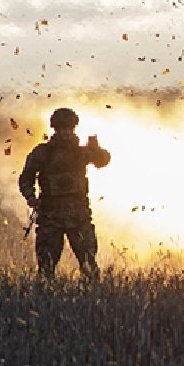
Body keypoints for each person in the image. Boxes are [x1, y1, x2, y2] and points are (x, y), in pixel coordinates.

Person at [18, 107, 111, 279]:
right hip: (50, 217)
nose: (66, 133)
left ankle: (91, 302)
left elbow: (103, 160)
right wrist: (31, 197)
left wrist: (96, 149)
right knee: (46, 269)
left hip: (79, 217)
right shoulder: (43, 153)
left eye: (69, 129)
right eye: (63, 129)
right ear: (56, 129)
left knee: (89, 265)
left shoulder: (81, 152)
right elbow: (26, 178)